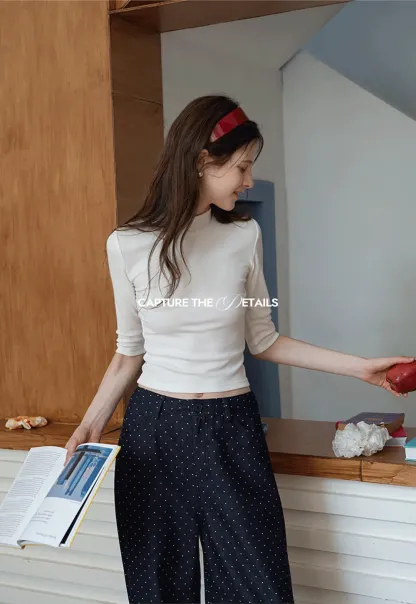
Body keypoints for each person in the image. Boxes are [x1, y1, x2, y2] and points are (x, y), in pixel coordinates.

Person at [64, 95, 413, 604]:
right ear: (202, 161)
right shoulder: (127, 244)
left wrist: (362, 369)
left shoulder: (244, 236)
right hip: (155, 431)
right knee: (158, 589)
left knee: (259, 588)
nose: (249, 180)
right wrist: (90, 424)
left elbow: (263, 339)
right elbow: (128, 352)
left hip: (232, 427)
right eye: (242, 167)